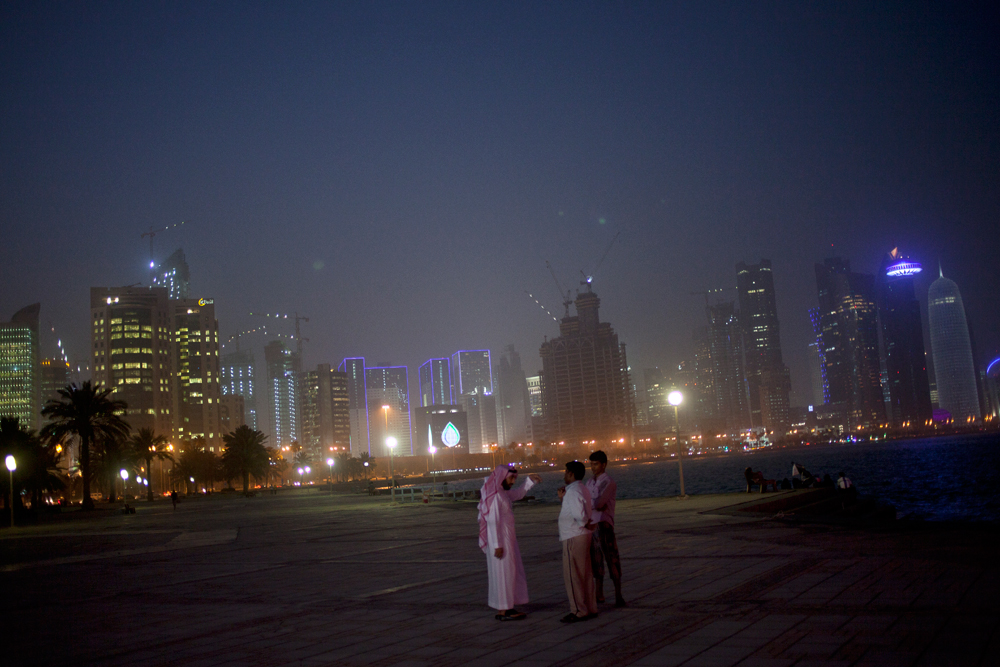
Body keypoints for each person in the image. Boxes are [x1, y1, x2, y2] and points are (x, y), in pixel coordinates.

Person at [478, 465, 541, 621]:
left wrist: (529, 482)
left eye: (514, 478)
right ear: (502, 477)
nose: (513, 481)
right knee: (505, 573)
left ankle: (504, 608)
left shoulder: (500, 493)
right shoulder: (496, 495)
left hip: (504, 540)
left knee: (506, 573)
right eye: (511, 478)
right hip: (500, 542)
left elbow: (518, 494)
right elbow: (493, 522)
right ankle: (506, 609)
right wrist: (498, 545)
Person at [557, 460, 598, 623]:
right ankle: (590, 607)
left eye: (566, 472)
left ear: (571, 473)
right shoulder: (581, 488)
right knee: (585, 573)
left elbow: (579, 514)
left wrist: (584, 523)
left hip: (573, 536)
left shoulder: (572, 491)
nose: (564, 474)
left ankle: (578, 610)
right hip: (582, 535)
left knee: (573, 575)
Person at [587, 450, 625, 607]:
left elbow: (598, 503)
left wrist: (591, 504)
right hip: (593, 524)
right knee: (596, 560)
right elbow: (593, 503)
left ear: (604, 464)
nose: (593, 467)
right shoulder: (589, 483)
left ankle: (618, 594)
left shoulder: (609, 482)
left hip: (604, 524)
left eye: (595, 464)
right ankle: (599, 594)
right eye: (591, 464)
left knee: (611, 558)